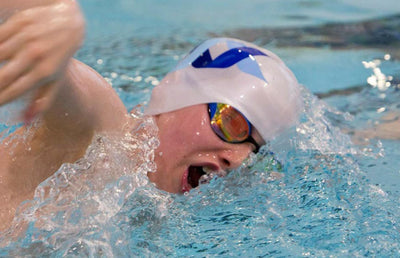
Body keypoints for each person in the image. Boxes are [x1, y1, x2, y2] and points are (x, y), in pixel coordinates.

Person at [0, 0, 302, 231]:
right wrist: (50, 16)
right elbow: (79, 97)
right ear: (177, 96)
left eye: (254, 152)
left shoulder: (153, 212)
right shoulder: (107, 137)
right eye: (232, 124)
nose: (236, 160)